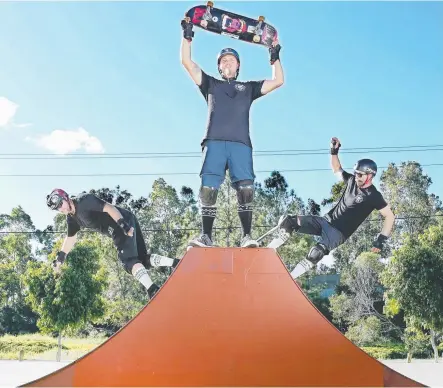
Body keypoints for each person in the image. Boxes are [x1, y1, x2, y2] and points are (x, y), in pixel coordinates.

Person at [180, 18, 284, 248]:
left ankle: (247, 236)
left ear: (238, 66)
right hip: (214, 143)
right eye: (223, 60)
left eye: (232, 60)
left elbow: (278, 80)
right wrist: (187, 37)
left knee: (246, 189)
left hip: (240, 145)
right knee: (208, 188)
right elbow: (187, 62)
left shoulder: (248, 88)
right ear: (219, 66)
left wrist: (274, 58)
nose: (227, 63)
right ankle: (206, 236)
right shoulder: (210, 84)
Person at [267, 137, 396, 279]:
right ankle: (267, 252)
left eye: (360, 175)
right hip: (325, 221)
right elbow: (337, 169)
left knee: (317, 252)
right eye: (355, 173)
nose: (356, 177)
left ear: (370, 175)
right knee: (289, 221)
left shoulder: (374, 196)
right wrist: (334, 152)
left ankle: (290, 278)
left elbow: (389, 216)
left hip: (338, 233)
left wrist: (381, 238)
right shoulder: (352, 181)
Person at [46, 189, 180, 299]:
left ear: (66, 197)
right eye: (57, 208)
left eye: (60, 204)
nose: (61, 209)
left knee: (129, 263)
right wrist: (60, 259)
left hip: (119, 224)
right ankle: (176, 263)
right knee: (142, 260)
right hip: (127, 219)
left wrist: (123, 225)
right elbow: (70, 238)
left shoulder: (84, 200)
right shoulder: (71, 219)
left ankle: (153, 290)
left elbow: (108, 208)